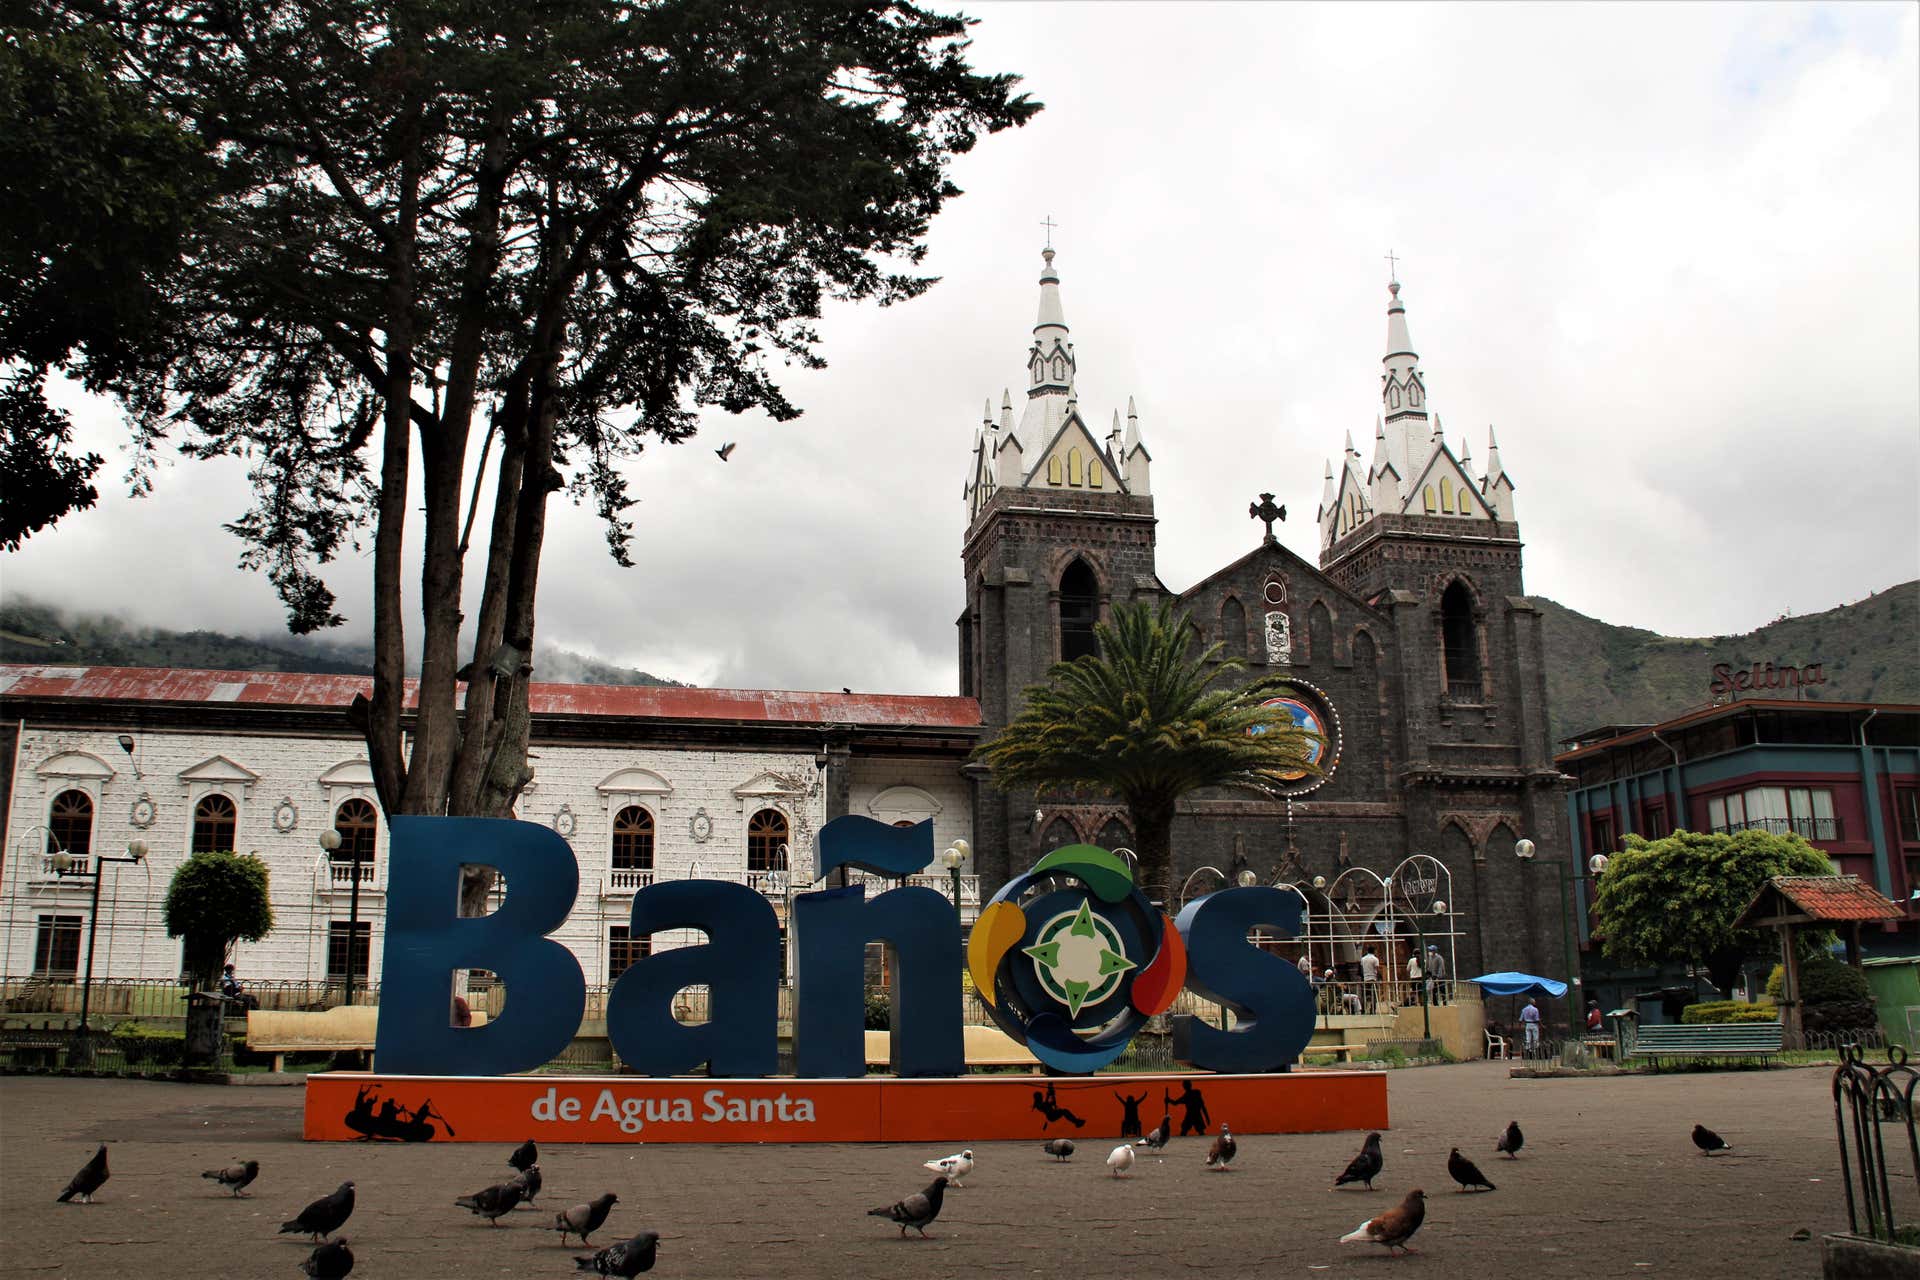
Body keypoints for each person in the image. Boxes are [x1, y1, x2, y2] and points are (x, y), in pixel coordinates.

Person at [1359, 947, 1380, 1012]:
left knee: (1364, 995)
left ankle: (1363, 1009)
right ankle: (1373, 1009)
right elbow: (1377, 969)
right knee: (1373, 995)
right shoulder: (1375, 959)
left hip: (1365, 979)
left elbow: (1361, 969)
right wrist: (1378, 978)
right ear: (1374, 951)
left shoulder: (1363, 959)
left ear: (1367, 951)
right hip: (1372, 979)